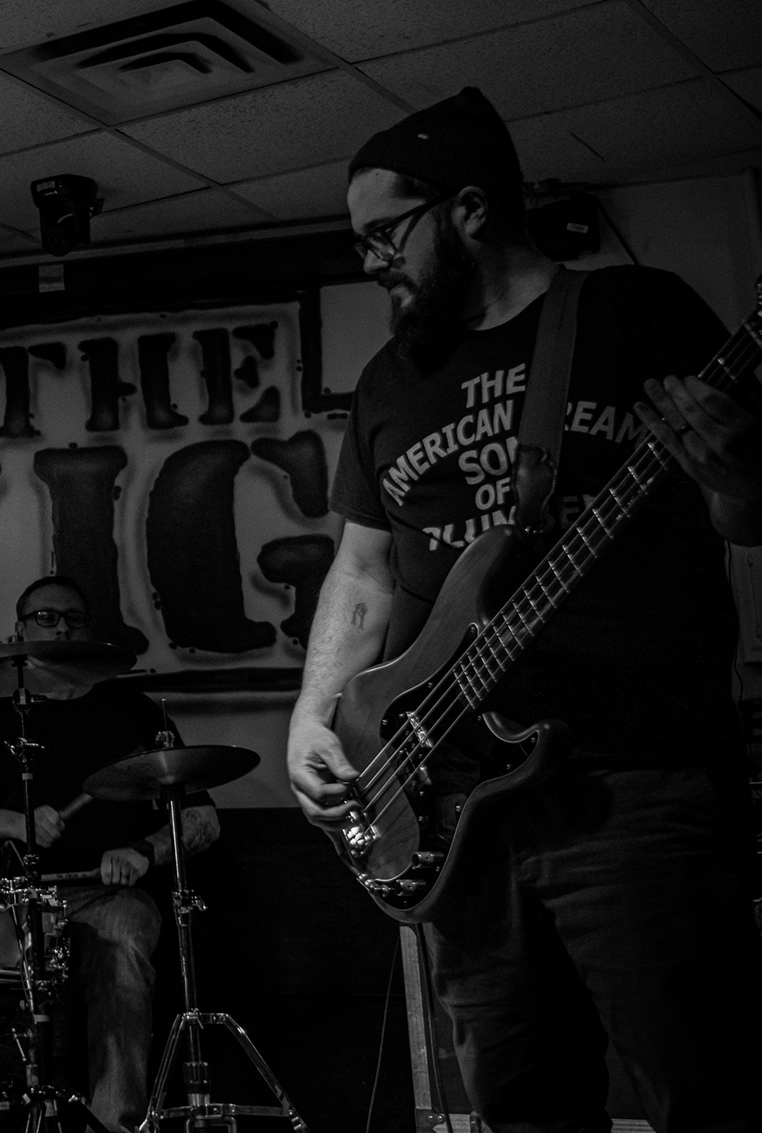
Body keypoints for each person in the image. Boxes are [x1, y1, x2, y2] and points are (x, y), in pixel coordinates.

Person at [287, 87, 762, 1129]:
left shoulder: (639, 313)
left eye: (384, 234)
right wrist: (314, 715)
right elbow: (362, 571)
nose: (370, 260)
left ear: (467, 209)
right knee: (519, 1104)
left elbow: (740, 515)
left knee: (705, 1086)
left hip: (632, 782)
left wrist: (744, 475)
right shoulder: (390, 381)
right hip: (458, 805)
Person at [0, 574, 220, 1130]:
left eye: (73, 618)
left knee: (122, 947)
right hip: (15, 898)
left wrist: (143, 851)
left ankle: (114, 1124)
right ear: (18, 631)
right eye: (45, 617)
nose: (60, 627)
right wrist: (14, 823)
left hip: (108, 895)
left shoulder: (133, 712)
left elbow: (202, 820)